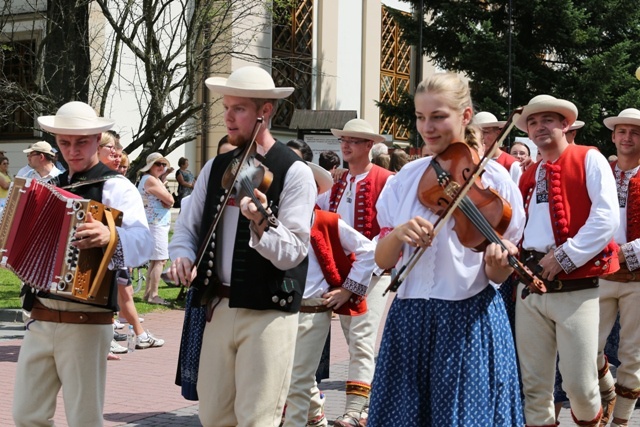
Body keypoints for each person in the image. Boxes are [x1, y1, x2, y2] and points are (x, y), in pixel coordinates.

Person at [367, 73, 524, 426]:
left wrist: (501, 263)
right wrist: (398, 235)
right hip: (409, 320)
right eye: (421, 117)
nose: (427, 127)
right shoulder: (405, 179)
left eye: (438, 116)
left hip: (467, 320)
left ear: (465, 116)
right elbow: (382, 260)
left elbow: (496, 275)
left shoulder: (495, 182)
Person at [167, 65, 316, 426]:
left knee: (256, 418)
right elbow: (187, 228)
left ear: (265, 112)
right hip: (218, 305)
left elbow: (294, 251)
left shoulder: (293, 171)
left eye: (239, 109)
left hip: (267, 311)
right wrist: (183, 255)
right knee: (214, 415)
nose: (227, 117)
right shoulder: (217, 165)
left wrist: (261, 221)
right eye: (226, 107)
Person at [12, 101, 151, 426]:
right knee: (26, 415)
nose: (72, 150)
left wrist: (110, 236)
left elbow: (144, 244)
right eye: (65, 142)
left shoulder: (116, 186)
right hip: (41, 316)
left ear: (97, 138)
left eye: (81, 142)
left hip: (87, 320)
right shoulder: (50, 187)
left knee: (84, 419)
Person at [515, 94, 620, 427]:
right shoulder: (529, 173)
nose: (539, 126)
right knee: (533, 387)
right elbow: (518, 224)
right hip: (530, 284)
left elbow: (606, 217)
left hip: (577, 285)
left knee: (579, 384)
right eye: (533, 121)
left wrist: (565, 256)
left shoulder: (589, 157)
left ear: (564, 124)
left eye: (547, 119)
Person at [283, 162, 376, 427]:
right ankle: (316, 416)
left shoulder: (326, 221)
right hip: (277, 309)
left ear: (313, 191)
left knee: (298, 380)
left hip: (312, 311)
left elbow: (368, 251)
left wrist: (348, 289)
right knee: (290, 376)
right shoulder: (275, 222)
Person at [316, 118, 394, 427]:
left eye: (354, 140)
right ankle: (366, 406)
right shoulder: (337, 182)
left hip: (374, 273)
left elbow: (386, 232)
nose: (345, 145)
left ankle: (356, 410)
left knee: (361, 339)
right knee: (353, 340)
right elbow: (318, 215)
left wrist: (355, 281)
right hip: (341, 275)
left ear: (369, 146)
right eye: (343, 140)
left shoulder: (387, 180)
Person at [595, 108, 640, 427]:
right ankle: (608, 391)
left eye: (635, 132)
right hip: (599, 273)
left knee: (633, 355)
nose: (627, 137)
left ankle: (621, 422)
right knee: (587, 350)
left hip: (637, 277)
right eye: (622, 131)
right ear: (613, 136)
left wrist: (624, 253)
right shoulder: (600, 172)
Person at [138, 152, 174, 305]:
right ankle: (154, 295)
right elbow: (170, 199)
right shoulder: (151, 180)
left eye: (163, 164)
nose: (161, 167)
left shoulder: (154, 179)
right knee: (160, 260)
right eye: (157, 164)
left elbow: (168, 200)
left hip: (157, 222)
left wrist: (166, 197)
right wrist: (167, 198)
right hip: (155, 223)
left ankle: (148, 294)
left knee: (155, 260)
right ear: (150, 166)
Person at [474, 111, 522, 183]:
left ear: (498, 134)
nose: (479, 137)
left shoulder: (513, 165)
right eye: (475, 133)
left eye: (485, 132)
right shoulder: (470, 162)